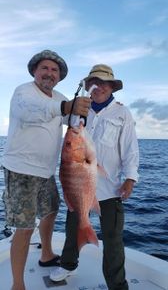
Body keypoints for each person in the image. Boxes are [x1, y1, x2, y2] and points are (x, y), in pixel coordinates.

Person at [1, 49, 91, 290]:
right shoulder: (23, 92)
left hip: (47, 172)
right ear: (34, 72)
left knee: (51, 212)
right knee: (25, 227)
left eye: (54, 70)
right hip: (21, 172)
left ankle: (47, 254)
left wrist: (88, 110)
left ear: (59, 77)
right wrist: (67, 106)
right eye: (45, 68)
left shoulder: (59, 96)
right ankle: (17, 284)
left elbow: (71, 119)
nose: (49, 73)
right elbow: (32, 111)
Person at [50, 64, 139, 290]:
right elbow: (67, 144)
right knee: (72, 228)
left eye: (103, 83)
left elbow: (130, 148)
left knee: (113, 239)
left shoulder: (122, 113)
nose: (98, 86)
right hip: (78, 183)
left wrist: (130, 178)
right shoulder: (79, 110)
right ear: (88, 86)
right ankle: (68, 264)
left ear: (111, 87)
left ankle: (117, 284)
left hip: (110, 188)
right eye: (94, 82)